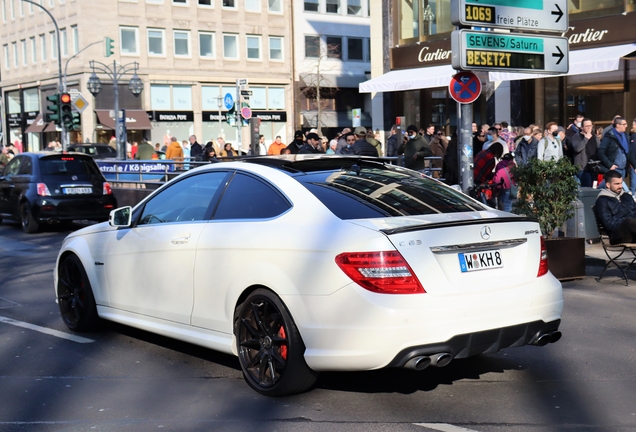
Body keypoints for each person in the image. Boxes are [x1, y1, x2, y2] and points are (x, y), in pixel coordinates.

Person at [595, 170, 636, 244]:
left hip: (633, 231)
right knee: (629, 221)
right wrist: (626, 219)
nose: (620, 186)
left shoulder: (627, 196)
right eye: (617, 184)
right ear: (608, 185)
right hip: (617, 235)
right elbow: (608, 224)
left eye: (621, 183)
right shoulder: (602, 200)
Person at [597, 117, 634, 182]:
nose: (626, 126)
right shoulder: (609, 137)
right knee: (618, 187)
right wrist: (610, 165)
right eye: (624, 124)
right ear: (617, 125)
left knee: (616, 188)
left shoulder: (625, 136)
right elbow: (600, 152)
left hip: (623, 169)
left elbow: (629, 152)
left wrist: (635, 165)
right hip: (614, 169)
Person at [570, 118, 601, 187]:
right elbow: (577, 149)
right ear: (582, 127)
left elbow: (599, 149)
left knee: (593, 189)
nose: (589, 128)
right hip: (582, 168)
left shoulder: (595, 137)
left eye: (590, 125)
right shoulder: (577, 137)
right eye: (587, 126)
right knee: (585, 189)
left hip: (593, 168)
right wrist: (586, 138)